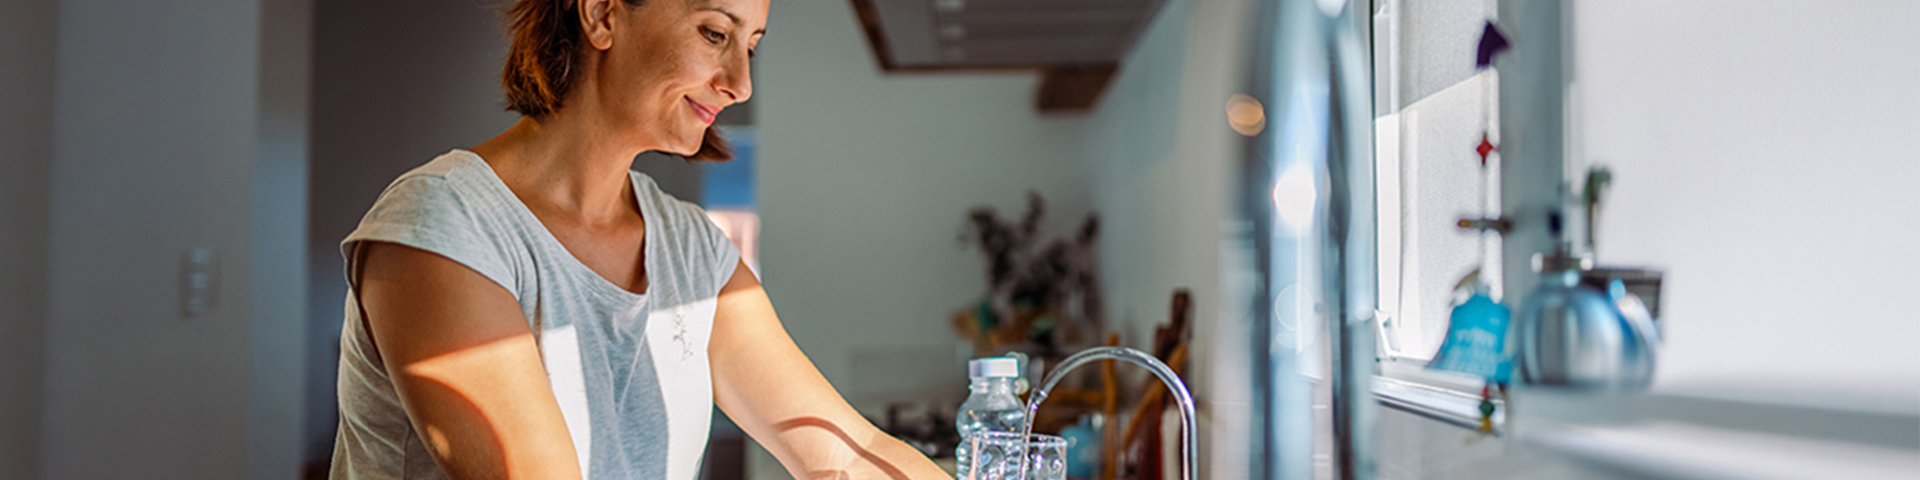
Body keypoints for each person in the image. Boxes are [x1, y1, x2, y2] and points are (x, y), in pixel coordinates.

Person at [328, 0, 947, 478]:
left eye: (750, 47)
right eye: (714, 34)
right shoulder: (445, 227)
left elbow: (848, 447)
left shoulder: (689, 248)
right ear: (602, 13)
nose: (740, 82)